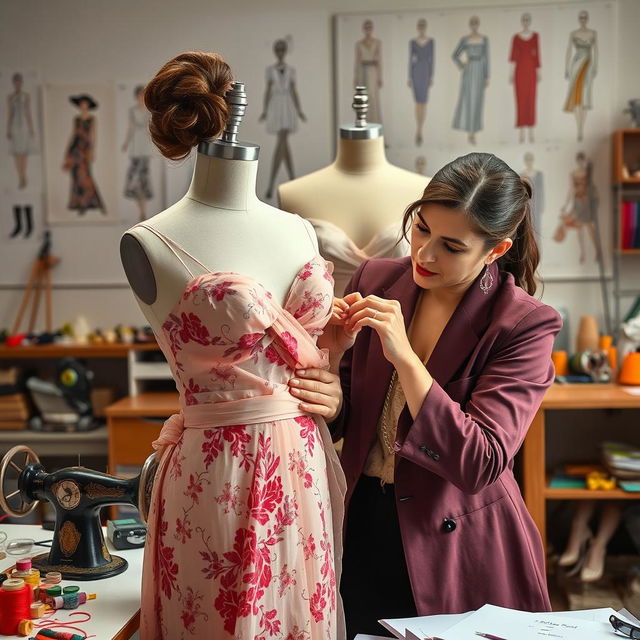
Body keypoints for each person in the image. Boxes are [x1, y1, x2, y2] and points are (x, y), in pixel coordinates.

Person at [121, 52, 345, 639]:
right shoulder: (150, 242)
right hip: (216, 474)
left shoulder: (297, 229)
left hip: (302, 464)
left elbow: (311, 354)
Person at [294, 152, 562, 638]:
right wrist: (333, 398)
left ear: (496, 250)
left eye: (452, 246)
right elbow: (353, 407)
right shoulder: (376, 278)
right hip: (361, 523)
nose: (425, 255)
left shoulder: (524, 323)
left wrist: (406, 358)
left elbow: (480, 462)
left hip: (456, 543)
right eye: (420, 230)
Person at [259, 38, 306, 200]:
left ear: (285, 51)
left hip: (287, 105)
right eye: (277, 50)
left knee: (282, 141)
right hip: (276, 105)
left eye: (282, 50)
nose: (280, 53)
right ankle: (291, 179)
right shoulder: (270, 70)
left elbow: (294, 91)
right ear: (275, 51)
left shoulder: (291, 70)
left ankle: (272, 184)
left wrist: (299, 110)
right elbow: (267, 91)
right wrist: (264, 110)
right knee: (283, 142)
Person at [62, 94, 104, 215]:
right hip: (75, 149)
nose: (83, 105)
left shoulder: (92, 119)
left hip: (85, 150)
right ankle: (78, 203)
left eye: (85, 103)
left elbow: (93, 136)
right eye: (81, 103)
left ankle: (87, 202)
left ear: (88, 105)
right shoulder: (76, 119)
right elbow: (73, 134)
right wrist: (67, 151)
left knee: (85, 175)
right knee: (76, 176)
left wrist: (92, 152)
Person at [121, 84, 154, 221]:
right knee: (135, 175)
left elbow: (151, 129)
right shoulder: (132, 110)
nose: (141, 97)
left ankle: (143, 210)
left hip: (145, 145)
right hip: (136, 145)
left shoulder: (149, 111)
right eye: (139, 94)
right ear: (136, 96)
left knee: (143, 176)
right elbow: (130, 128)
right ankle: (141, 209)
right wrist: (126, 143)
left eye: (143, 94)